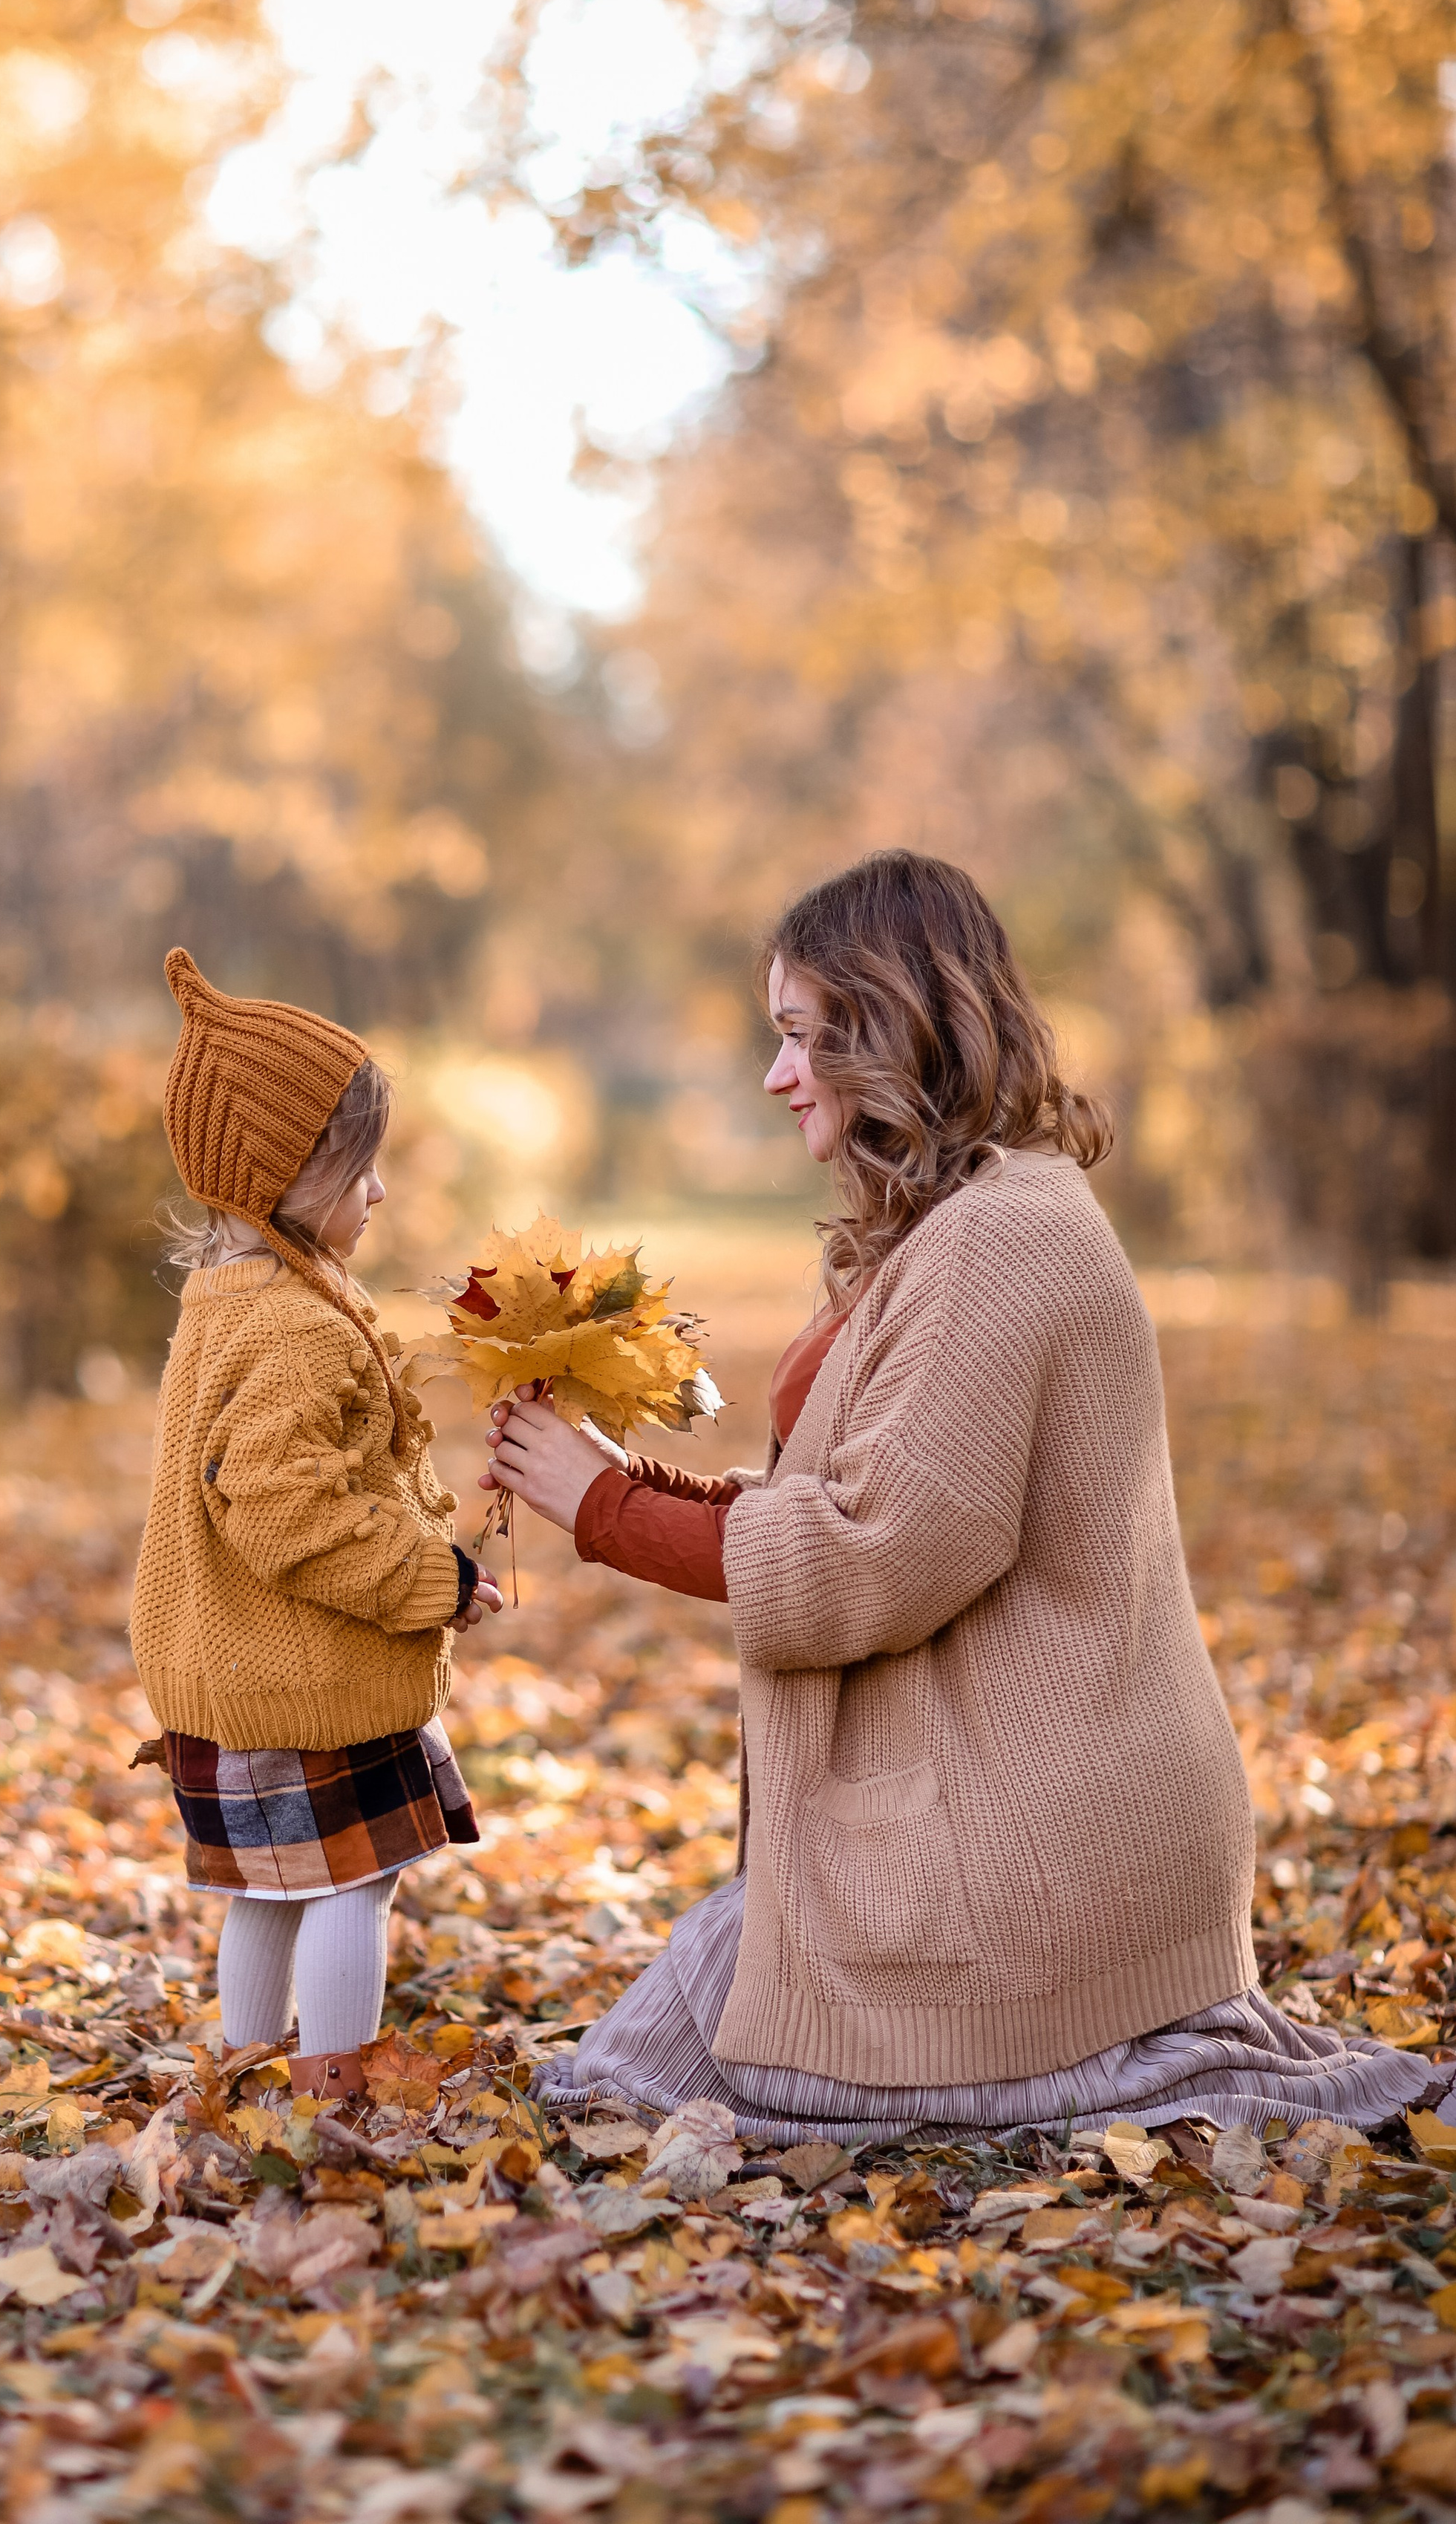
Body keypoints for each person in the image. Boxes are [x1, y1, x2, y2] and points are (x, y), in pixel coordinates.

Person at [485, 852, 1437, 2139]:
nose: (776, 1078)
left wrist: (604, 1511)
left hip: (1042, 1846)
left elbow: (869, 1559)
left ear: (886, 1032)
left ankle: (1119, 2057)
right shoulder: (954, 1224)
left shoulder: (1002, 1240)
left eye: (797, 1039)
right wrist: (621, 1482)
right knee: (679, 2023)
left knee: (711, 2059)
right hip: (1018, 1817)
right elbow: (857, 1498)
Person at [129, 948, 500, 2099]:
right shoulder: (295, 1328)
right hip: (310, 1685)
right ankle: (336, 2084)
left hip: (234, 1679)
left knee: (262, 1886)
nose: (381, 1192)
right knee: (355, 1880)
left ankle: (245, 2067)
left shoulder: (226, 1300)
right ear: (286, 1180)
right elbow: (298, 1516)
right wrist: (433, 1579)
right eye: (362, 1168)